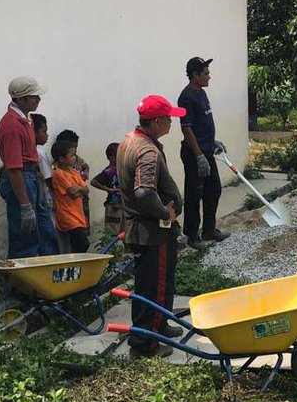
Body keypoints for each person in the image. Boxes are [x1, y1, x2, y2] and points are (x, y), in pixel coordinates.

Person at [117, 94, 185, 358]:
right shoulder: (147, 151)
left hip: (146, 230)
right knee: (153, 286)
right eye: (168, 119)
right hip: (152, 232)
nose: (171, 123)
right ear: (157, 121)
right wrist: (165, 213)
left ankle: (160, 325)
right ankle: (145, 344)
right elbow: (144, 192)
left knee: (157, 282)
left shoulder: (131, 140)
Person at [0, 76, 58, 258]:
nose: (38, 99)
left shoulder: (26, 120)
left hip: (30, 176)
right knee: (25, 239)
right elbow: (14, 168)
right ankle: (20, 285)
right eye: (34, 96)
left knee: (44, 231)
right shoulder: (13, 126)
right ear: (21, 99)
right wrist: (25, 204)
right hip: (21, 179)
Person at [178, 56, 228, 250]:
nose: (209, 76)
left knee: (213, 190)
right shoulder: (186, 97)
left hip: (206, 151)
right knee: (194, 194)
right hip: (194, 155)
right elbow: (186, 128)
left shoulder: (201, 93)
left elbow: (202, 123)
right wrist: (199, 155)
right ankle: (192, 236)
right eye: (205, 73)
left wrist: (212, 141)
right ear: (195, 75)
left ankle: (209, 230)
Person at [51, 140, 90, 253]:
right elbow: (72, 194)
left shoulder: (73, 172)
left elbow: (86, 190)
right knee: (83, 243)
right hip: (68, 216)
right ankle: (72, 265)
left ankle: (73, 267)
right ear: (62, 159)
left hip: (78, 215)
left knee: (77, 244)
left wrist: (79, 189)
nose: (75, 158)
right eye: (72, 155)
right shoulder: (59, 174)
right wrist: (80, 189)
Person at [91, 143, 123, 236]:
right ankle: (111, 250)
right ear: (112, 158)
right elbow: (94, 182)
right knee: (112, 231)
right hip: (113, 206)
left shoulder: (122, 169)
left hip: (124, 205)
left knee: (124, 232)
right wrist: (108, 189)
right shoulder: (108, 172)